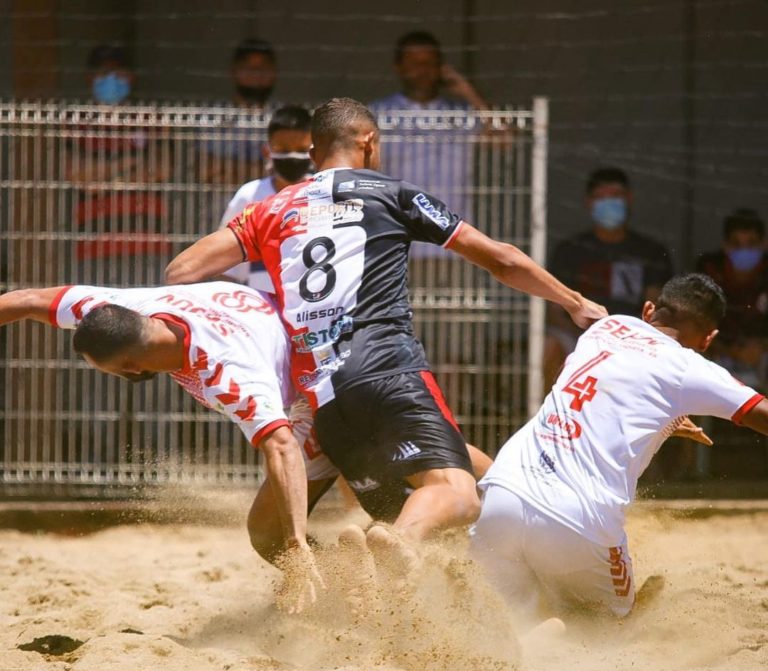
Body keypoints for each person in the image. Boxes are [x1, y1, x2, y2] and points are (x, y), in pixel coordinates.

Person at [165, 97, 606, 563]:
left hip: (321, 399)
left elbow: (180, 272)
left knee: (273, 533)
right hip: (387, 369)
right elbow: (502, 259)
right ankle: (405, 543)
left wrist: (254, 319)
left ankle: (346, 586)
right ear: (368, 142)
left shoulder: (269, 209)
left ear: (312, 153)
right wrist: (575, 303)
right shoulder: (391, 193)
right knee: (459, 492)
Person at [0, 282, 329, 613]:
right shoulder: (122, 305)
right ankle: (352, 555)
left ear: (129, 366)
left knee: (267, 533)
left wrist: (296, 541)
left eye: (109, 371)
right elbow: (26, 301)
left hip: (323, 392)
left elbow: (282, 445)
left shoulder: (223, 371)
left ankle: (343, 581)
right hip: (318, 337)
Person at [471, 273, 768, 627]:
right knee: (610, 629)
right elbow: (759, 412)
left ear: (648, 310)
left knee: (508, 620)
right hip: (577, 520)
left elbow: (617, 388)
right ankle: (562, 635)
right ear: (708, 338)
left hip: (502, 498)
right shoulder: (692, 368)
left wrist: (668, 421)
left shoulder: (606, 327)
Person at [544, 167, 674, 390]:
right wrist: (587, 338)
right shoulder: (569, 250)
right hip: (580, 336)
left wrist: (627, 340)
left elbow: (655, 310)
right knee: (549, 346)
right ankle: (551, 420)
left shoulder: (651, 251)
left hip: (636, 339)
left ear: (629, 199)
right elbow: (555, 311)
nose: (609, 203)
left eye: (615, 196)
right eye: (601, 197)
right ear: (589, 203)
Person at [369, 31, 488, 267]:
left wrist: (467, 91)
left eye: (430, 64)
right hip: (399, 241)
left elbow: (505, 139)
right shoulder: (378, 114)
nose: (422, 71)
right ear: (398, 67)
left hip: (455, 240)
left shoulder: (460, 115)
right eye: (414, 64)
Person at [65, 44, 171, 280]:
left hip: (147, 238)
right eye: (104, 73)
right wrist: (131, 162)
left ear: (131, 78)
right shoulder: (78, 122)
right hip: (94, 238)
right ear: (90, 78)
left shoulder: (147, 118)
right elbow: (77, 175)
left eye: (118, 72)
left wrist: (101, 180)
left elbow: (160, 169)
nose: (112, 79)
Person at [219, 105, 313, 293]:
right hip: (261, 304)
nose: (292, 156)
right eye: (283, 149)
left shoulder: (323, 194)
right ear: (267, 150)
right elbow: (225, 262)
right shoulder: (250, 196)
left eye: (301, 149)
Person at [696, 207, 768, 390]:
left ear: (763, 244)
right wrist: (728, 350)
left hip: (761, 355)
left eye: (751, 243)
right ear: (725, 245)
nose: (744, 250)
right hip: (717, 351)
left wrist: (761, 347)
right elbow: (695, 320)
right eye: (736, 244)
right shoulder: (710, 270)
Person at [200, 39, 279, 186]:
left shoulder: (283, 117)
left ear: (274, 72)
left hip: (270, 205)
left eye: (263, 67)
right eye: (249, 67)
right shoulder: (214, 117)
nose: (256, 74)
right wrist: (261, 171)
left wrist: (227, 169)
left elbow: (288, 173)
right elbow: (204, 170)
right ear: (234, 71)